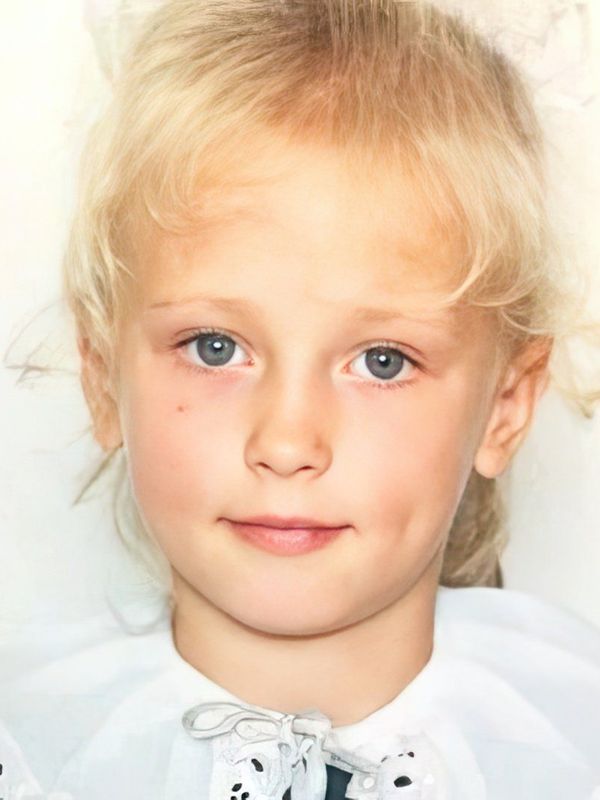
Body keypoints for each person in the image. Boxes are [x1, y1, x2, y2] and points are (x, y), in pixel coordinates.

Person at [1, 0, 600, 798]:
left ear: (506, 405)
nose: (286, 443)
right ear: (103, 377)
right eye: (215, 348)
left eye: (382, 361)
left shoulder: (576, 738)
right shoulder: (29, 750)